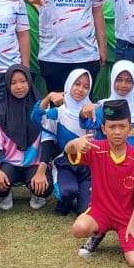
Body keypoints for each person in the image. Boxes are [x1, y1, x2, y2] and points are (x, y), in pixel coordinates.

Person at [65, 100, 134, 267]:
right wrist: (74, 143)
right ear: (103, 129)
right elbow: (69, 150)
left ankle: (133, 231)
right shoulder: (95, 148)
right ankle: (97, 233)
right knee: (79, 228)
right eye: (112, 127)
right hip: (100, 211)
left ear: (130, 128)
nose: (117, 132)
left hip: (126, 217)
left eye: (122, 126)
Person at [0, 65, 53, 211]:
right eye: (13, 82)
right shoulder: (1, 112)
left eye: (23, 81)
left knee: (45, 186)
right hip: (10, 163)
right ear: (7, 85)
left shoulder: (42, 108)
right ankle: (5, 194)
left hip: (34, 163)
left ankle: (37, 193)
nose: (19, 86)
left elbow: (48, 141)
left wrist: (41, 172)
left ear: (29, 82)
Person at [42, 69, 96, 216]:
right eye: (77, 84)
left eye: (86, 87)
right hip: (65, 163)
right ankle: (65, 200)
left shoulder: (93, 111)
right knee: (67, 192)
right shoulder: (59, 112)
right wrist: (47, 99)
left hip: (87, 166)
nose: (80, 89)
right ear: (68, 84)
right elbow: (39, 123)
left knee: (85, 210)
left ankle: (81, 196)